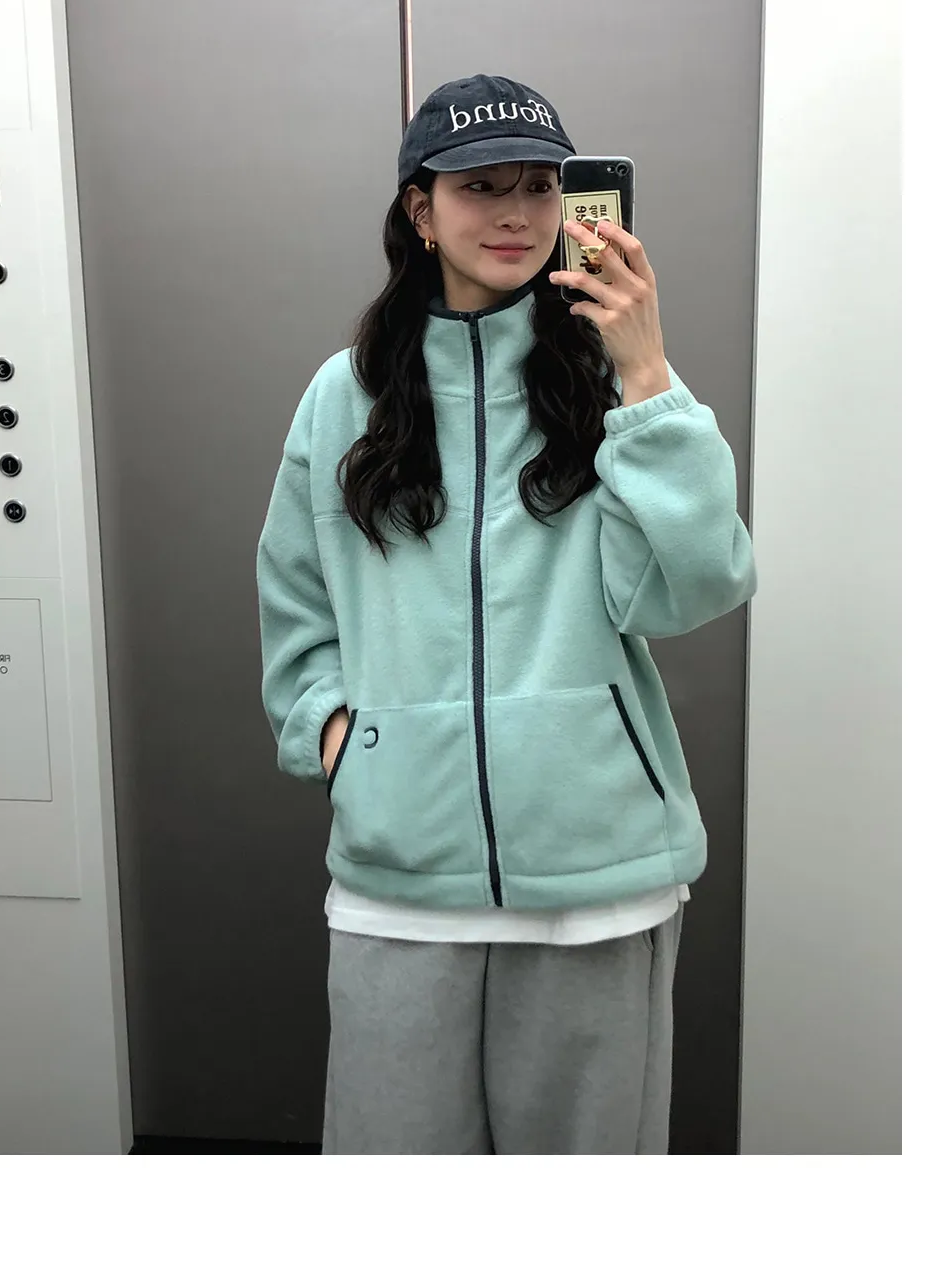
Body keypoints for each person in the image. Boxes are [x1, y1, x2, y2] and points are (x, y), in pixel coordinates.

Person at [256, 73, 757, 1154]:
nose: (518, 213)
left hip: (597, 876)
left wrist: (646, 371)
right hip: (401, 880)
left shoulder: (609, 382)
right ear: (419, 209)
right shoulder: (344, 394)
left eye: (539, 185)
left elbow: (696, 584)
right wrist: (342, 740)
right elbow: (295, 601)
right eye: (481, 186)